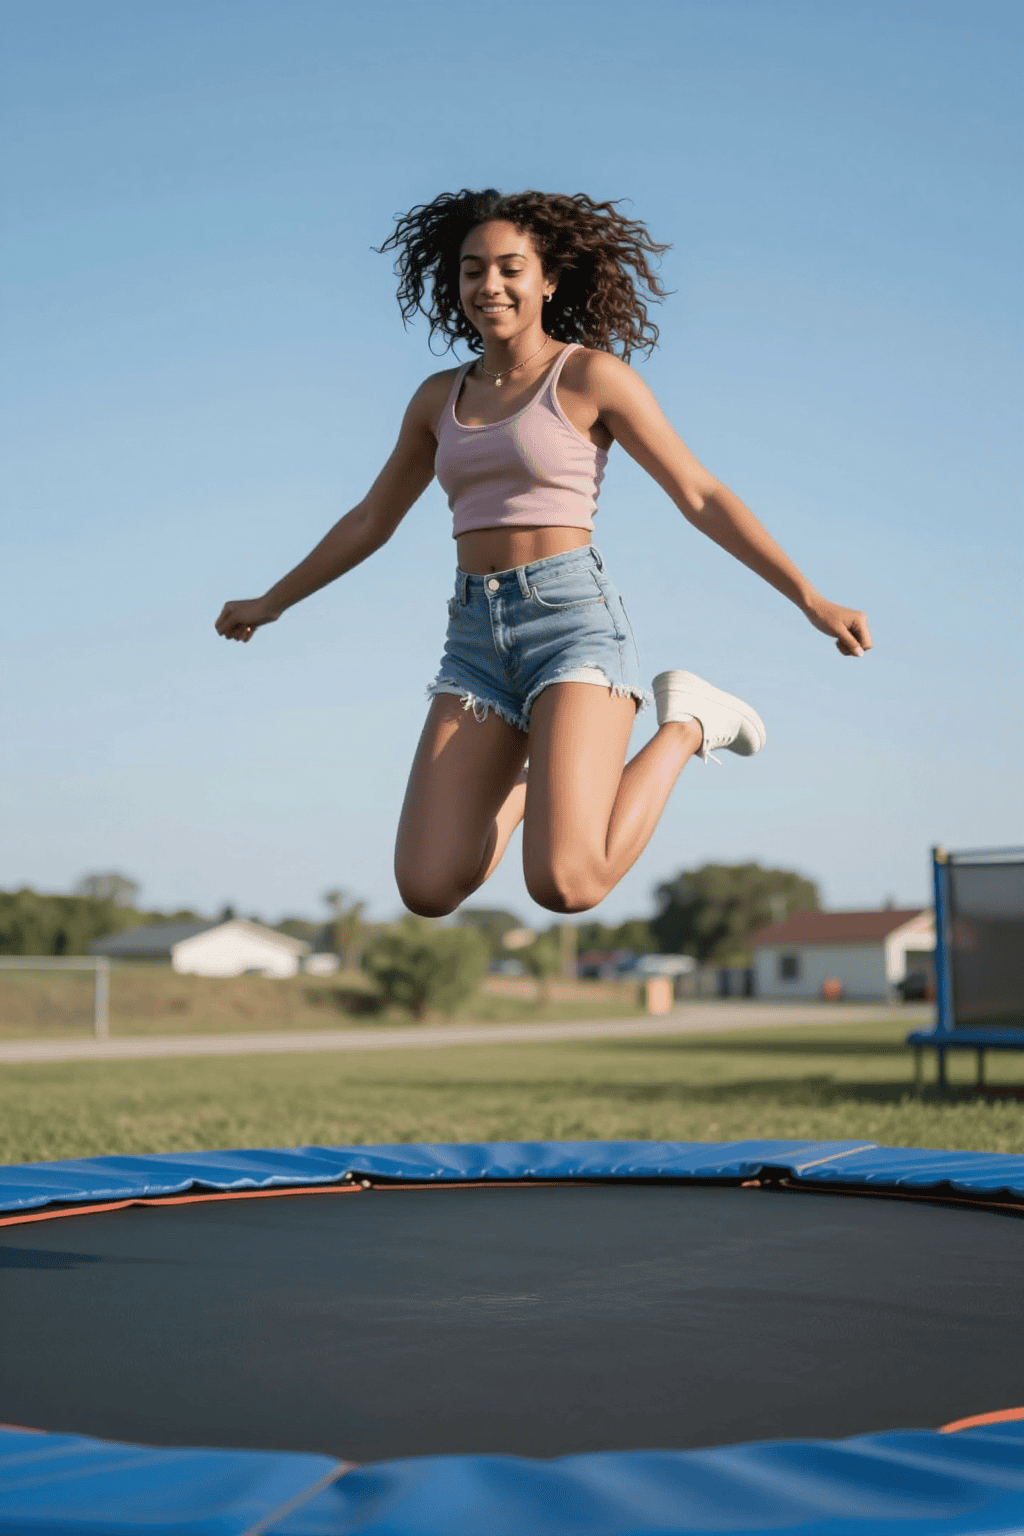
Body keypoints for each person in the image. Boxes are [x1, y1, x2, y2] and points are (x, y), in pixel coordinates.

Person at [216, 189, 872, 918]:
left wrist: (811, 597)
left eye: (509, 268)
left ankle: (688, 724)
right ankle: (549, 779)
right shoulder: (438, 398)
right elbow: (373, 517)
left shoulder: (589, 377)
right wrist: (272, 600)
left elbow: (699, 493)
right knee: (429, 886)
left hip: (571, 624)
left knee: (567, 884)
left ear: (548, 279)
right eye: (472, 271)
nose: (488, 285)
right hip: (473, 640)